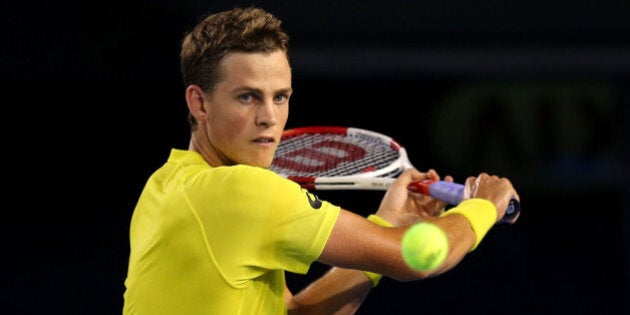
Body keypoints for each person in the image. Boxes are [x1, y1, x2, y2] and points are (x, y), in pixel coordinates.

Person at [122, 6, 520, 315]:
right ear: (199, 102)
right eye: (247, 97)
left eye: (280, 96)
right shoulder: (238, 190)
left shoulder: (165, 185)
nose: (269, 118)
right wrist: (484, 205)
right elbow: (415, 256)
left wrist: (387, 223)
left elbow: (297, 312)